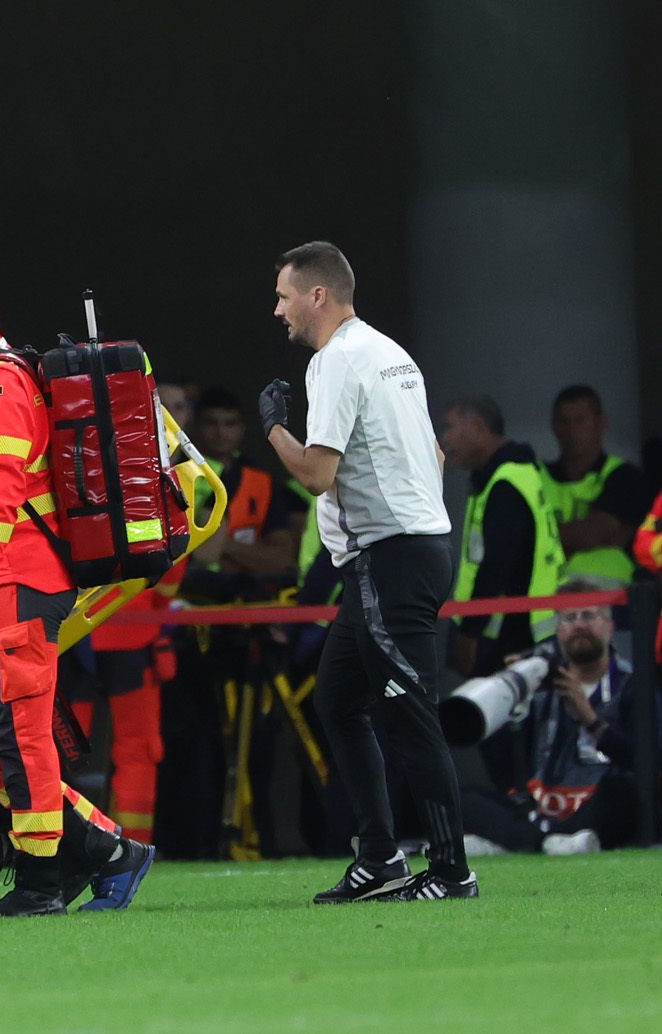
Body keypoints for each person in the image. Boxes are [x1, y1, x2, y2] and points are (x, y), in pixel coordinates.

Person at [0, 250, 152, 919]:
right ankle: (99, 850)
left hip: (15, 583)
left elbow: (0, 500)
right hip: (5, 580)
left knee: (18, 733)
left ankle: (43, 882)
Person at [260, 240, 475, 902]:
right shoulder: (391, 354)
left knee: (409, 715)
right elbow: (433, 455)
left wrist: (274, 428)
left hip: (390, 559)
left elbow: (318, 474)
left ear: (316, 295)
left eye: (283, 295)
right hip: (412, 549)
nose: (277, 311)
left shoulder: (335, 363)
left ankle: (450, 872)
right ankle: (379, 855)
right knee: (338, 699)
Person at [463, 582, 662, 856]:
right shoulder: (541, 683)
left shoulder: (633, 684)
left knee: (626, 790)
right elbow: (504, 770)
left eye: (589, 616)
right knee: (460, 797)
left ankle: (517, 842)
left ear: (610, 626)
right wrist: (507, 699)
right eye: (569, 618)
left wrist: (591, 719)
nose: (579, 625)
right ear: (558, 631)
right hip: (543, 804)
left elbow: (647, 763)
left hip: (599, 801)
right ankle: (546, 841)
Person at [440, 394, 566, 677]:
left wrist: (470, 631)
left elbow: (497, 563)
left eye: (450, 427)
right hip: (522, 625)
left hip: (512, 633)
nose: (444, 438)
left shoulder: (506, 483)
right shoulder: (507, 475)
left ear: (479, 426)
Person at [186, 386, 301, 582]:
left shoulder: (261, 482)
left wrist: (219, 544)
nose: (220, 432)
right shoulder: (178, 475)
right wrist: (248, 555)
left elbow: (282, 559)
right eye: (211, 423)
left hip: (244, 600)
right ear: (195, 426)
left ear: (242, 429)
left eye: (229, 424)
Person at [543, 384, 646, 586]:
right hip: (548, 597)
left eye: (580, 421)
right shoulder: (536, 476)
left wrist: (542, 536)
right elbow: (516, 537)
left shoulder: (625, 476)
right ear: (554, 427)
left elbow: (594, 533)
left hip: (609, 597)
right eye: (564, 422)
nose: (572, 430)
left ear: (601, 423)